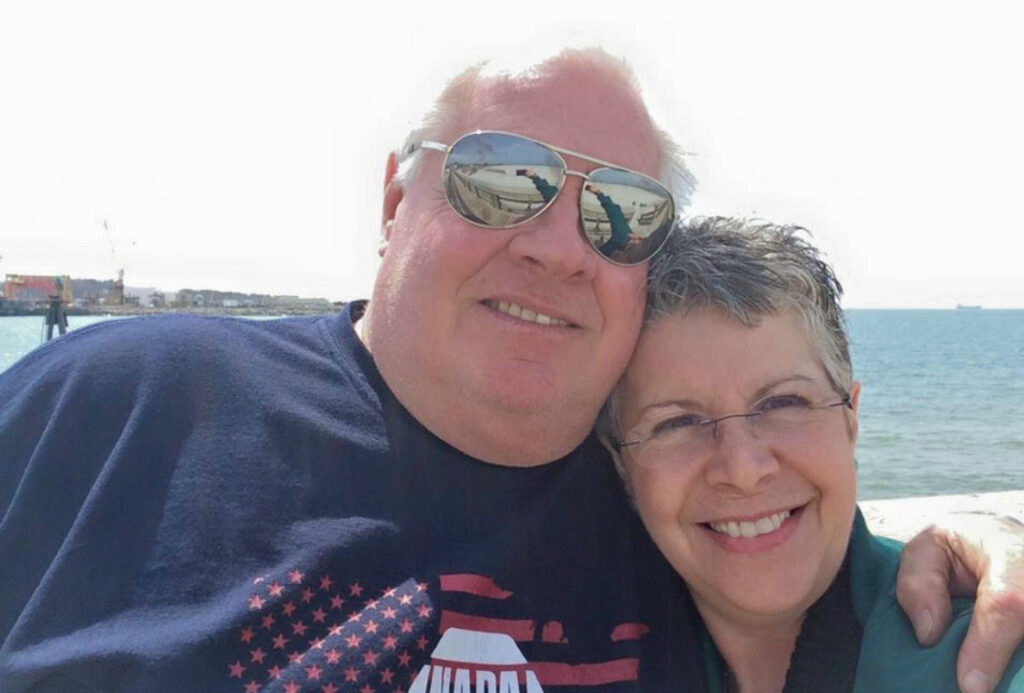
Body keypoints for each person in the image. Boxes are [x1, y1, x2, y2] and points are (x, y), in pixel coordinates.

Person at [0, 49, 1022, 693]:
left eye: (617, 212)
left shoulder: (656, 508)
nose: (559, 247)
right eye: (501, 179)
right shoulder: (113, 403)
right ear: (395, 199)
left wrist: (966, 542)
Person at [604, 217, 1024, 692]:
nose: (743, 470)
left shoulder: (989, 649)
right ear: (621, 465)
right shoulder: (567, 652)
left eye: (784, 403)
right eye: (677, 423)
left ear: (851, 418)